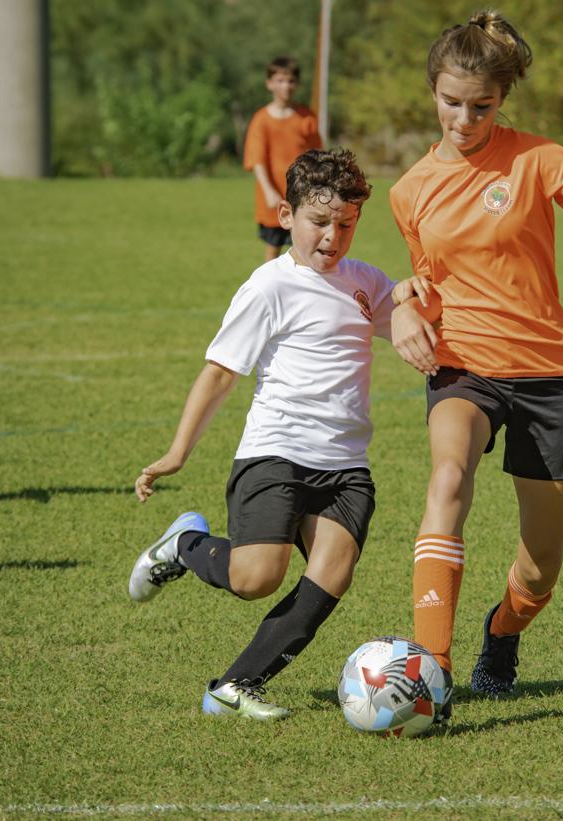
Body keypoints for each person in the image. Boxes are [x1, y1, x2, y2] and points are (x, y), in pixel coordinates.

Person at [388, 11, 563, 718]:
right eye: (452, 102)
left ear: (502, 99)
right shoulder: (410, 190)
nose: (465, 120)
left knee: (540, 569)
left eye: (482, 106)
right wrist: (403, 306)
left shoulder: (538, 160)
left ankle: (502, 632)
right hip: (461, 365)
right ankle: (433, 673)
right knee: (448, 477)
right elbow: (427, 280)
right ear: (432, 91)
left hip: (543, 373)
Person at [128, 148, 430, 720]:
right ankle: (185, 545)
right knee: (255, 579)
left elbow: (406, 319)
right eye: (319, 222)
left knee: (332, 573)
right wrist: (176, 453)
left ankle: (234, 687)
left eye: (346, 224)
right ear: (286, 215)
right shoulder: (269, 287)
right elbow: (220, 374)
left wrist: (411, 297)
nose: (332, 237)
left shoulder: (365, 282)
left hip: (346, 466)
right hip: (277, 453)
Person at [243, 56, 323, 261]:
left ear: (297, 84)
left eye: (290, 81)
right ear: (269, 83)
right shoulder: (261, 120)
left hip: (303, 197)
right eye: (280, 80)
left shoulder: (306, 117)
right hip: (274, 199)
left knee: (304, 251)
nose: (285, 86)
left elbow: (317, 157)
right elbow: (257, 159)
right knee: (273, 250)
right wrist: (269, 191)